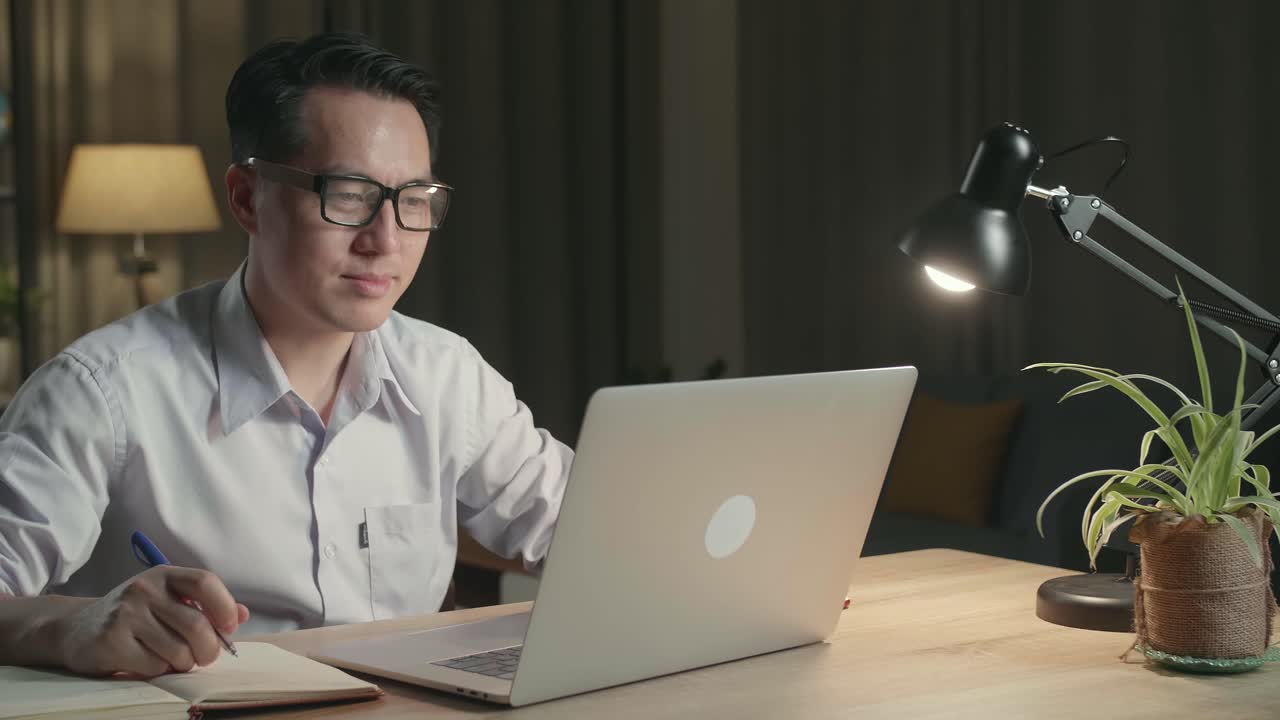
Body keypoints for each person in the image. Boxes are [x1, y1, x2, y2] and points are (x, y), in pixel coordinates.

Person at [0, 32, 571, 677]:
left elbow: (593, 532)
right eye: (349, 195)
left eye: (413, 201)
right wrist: (70, 623)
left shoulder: (448, 378)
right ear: (247, 197)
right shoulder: (100, 393)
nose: (385, 241)